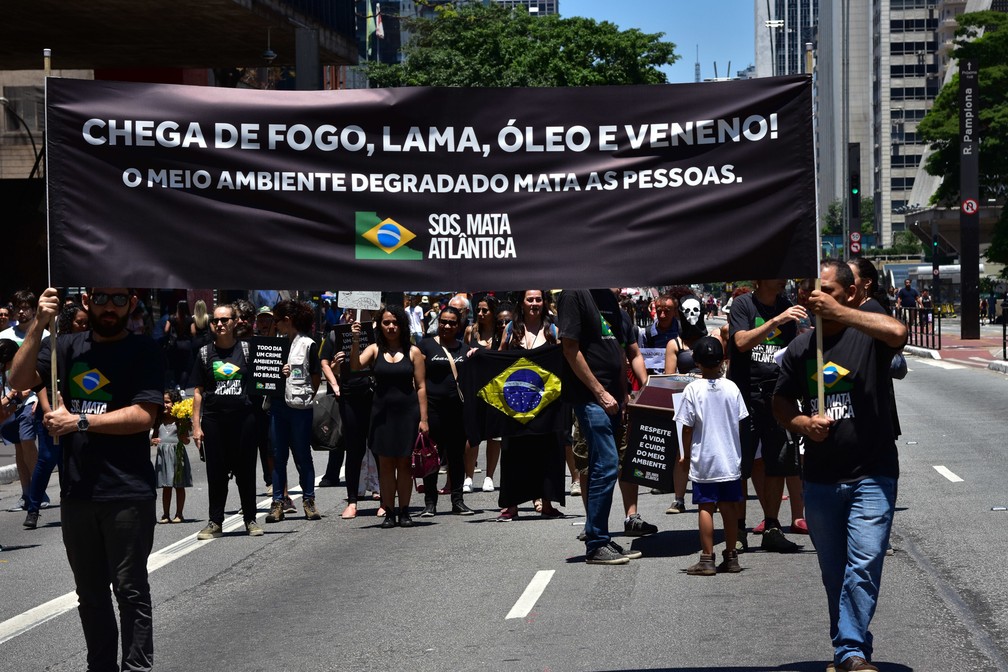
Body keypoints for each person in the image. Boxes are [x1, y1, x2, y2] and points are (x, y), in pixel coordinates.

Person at [10, 287, 163, 672]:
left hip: (128, 493)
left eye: (117, 300)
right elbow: (19, 378)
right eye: (100, 299)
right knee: (90, 596)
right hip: (78, 493)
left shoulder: (144, 349)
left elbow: (145, 415)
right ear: (85, 302)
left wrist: (80, 421)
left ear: (130, 304)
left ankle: (137, 669)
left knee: (130, 592)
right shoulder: (65, 346)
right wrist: (39, 324)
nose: (108, 307)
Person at [773, 260, 907, 672]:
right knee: (837, 575)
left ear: (849, 293)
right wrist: (801, 423)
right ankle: (851, 646)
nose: (817, 299)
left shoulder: (868, 333)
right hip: (820, 479)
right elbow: (780, 403)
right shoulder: (800, 348)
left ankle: (849, 651)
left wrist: (842, 315)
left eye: (827, 291)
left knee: (863, 564)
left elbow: (899, 334)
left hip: (872, 472)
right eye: (813, 292)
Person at [558, 288, 640, 565]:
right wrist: (600, 392)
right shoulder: (574, 294)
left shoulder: (609, 299)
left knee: (603, 466)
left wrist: (624, 391)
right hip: (591, 398)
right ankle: (595, 544)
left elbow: (618, 350)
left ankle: (599, 537)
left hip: (614, 399)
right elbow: (570, 349)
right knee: (605, 465)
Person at [727, 279, 806, 553]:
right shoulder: (743, 304)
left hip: (776, 396)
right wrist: (776, 321)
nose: (782, 278)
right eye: (775, 273)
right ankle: (738, 529)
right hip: (745, 396)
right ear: (760, 279)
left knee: (779, 462)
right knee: (741, 466)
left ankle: (772, 526)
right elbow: (740, 342)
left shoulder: (787, 306)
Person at [675, 336, 748, 575]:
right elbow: (740, 420)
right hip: (728, 457)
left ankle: (707, 558)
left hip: (705, 458)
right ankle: (731, 556)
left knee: (706, 506)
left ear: (696, 361)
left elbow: (687, 426)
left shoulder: (692, 389)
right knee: (729, 507)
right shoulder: (732, 387)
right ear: (722, 361)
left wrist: (684, 453)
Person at [351, 303, 428, 528]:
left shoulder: (413, 352)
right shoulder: (374, 349)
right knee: (385, 465)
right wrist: (355, 340)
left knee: (404, 464)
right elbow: (355, 367)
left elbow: (421, 386)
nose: (391, 326)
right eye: (386, 323)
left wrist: (424, 419)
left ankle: (404, 510)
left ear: (402, 325)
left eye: (395, 322)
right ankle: (389, 511)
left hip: (408, 414)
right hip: (381, 414)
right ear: (380, 326)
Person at [192, 303, 264, 537]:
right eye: (215, 321)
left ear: (235, 322)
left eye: (225, 320)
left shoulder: (248, 350)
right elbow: (198, 391)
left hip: (244, 420)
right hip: (214, 421)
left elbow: (264, 382)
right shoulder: (204, 353)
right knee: (216, 472)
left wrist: (279, 374)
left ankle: (250, 520)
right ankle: (215, 522)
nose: (220, 324)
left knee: (246, 471)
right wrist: (196, 426)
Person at [497, 290, 566, 521]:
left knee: (547, 451)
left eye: (538, 299)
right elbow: (499, 361)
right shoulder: (510, 330)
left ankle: (546, 503)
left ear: (544, 302)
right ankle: (511, 505)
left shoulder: (553, 330)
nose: (535, 303)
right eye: (530, 299)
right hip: (515, 403)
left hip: (546, 404)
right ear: (522, 303)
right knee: (513, 452)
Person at [24, 302, 90, 528]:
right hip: (51, 410)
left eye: (86, 323)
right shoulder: (50, 344)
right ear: (67, 322)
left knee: (71, 461)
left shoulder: (88, 345)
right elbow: (39, 381)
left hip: (76, 412)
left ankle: (69, 505)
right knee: (47, 458)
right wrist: (46, 410)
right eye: (78, 322)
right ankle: (33, 508)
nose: (83, 326)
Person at [417, 305, 475, 516]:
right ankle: (430, 502)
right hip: (433, 410)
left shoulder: (464, 349)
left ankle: (457, 500)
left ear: (458, 325)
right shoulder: (425, 346)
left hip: (457, 412)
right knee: (431, 457)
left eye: (452, 322)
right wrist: (421, 417)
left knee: (456, 457)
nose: (447, 326)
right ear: (438, 322)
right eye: (444, 321)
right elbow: (417, 379)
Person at [319, 308, 375, 519]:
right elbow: (325, 362)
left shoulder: (376, 335)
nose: (352, 315)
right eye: (348, 311)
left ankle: (385, 498)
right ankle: (352, 501)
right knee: (354, 449)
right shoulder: (335, 334)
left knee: (378, 447)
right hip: (349, 396)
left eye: (356, 311)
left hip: (373, 394)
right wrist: (334, 380)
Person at [1, 289, 48, 513]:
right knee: (20, 447)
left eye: (26, 307)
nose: (21, 311)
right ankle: (26, 493)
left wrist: (40, 396)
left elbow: (46, 370)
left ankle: (39, 490)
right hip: (10, 400)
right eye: (18, 307)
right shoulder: (4, 337)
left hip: (31, 398)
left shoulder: (45, 336)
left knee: (27, 439)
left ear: (33, 309)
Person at [462, 295, 501, 494]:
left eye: (485, 310)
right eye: (478, 310)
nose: (480, 314)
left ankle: (489, 476)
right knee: (472, 434)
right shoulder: (471, 332)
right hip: (474, 388)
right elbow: (462, 358)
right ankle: (468, 476)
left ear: (493, 312)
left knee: (494, 435)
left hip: (495, 389)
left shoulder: (501, 332)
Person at [152, 388, 191, 524]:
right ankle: (165, 514)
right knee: (166, 485)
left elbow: (186, 440)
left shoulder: (180, 421)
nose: (165, 405)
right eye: (162, 402)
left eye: (167, 402)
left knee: (179, 485)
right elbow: (154, 437)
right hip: (163, 457)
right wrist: (153, 441)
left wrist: (182, 433)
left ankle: (179, 513)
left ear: (175, 403)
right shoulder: (159, 421)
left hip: (177, 455)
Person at [164, 299, 194, 389]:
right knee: (185, 367)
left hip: (175, 344)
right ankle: (182, 386)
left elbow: (166, 330)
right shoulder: (189, 319)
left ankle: (176, 384)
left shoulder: (172, 318)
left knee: (176, 366)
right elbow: (193, 332)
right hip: (186, 344)